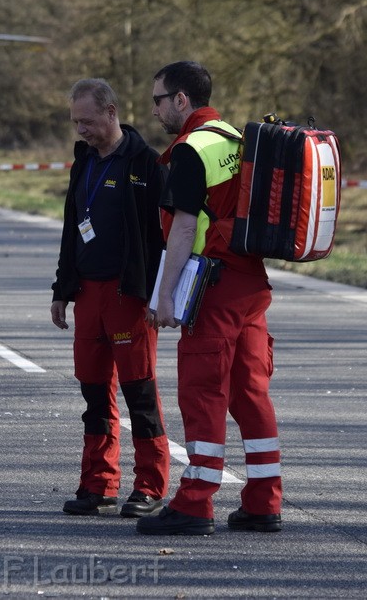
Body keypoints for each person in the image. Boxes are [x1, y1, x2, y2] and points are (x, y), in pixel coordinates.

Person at [136, 61, 282, 536]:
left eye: (158, 100)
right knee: (250, 391)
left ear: (181, 99)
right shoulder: (238, 141)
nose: (154, 110)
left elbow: (181, 228)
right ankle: (263, 501)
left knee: (203, 393)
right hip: (251, 284)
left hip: (213, 289)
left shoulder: (190, 150)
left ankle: (195, 503)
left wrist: (164, 297)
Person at [50, 78, 170, 518]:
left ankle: (150, 486)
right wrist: (62, 290)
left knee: (139, 394)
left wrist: (160, 295)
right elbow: (70, 229)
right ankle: (98, 483)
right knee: (94, 396)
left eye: (87, 121)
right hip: (87, 295)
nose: (80, 129)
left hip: (129, 296)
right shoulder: (82, 162)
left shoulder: (147, 163)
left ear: (111, 112)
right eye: (75, 122)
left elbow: (165, 238)